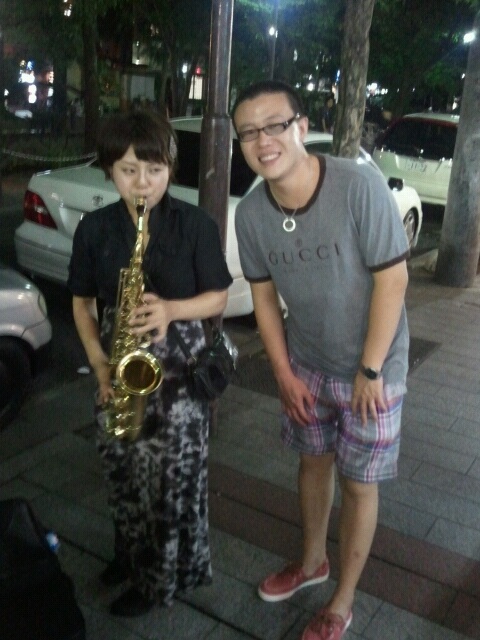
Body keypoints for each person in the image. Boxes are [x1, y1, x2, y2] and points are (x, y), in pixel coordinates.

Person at [232, 80, 409, 640]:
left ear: (302, 127)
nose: (263, 140)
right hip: (306, 362)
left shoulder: (358, 186)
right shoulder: (251, 213)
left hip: (373, 369)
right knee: (311, 463)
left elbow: (394, 279)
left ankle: (343, 599)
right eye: (248, 132)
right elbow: (263, 297)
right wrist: (283, 373)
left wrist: (371, 369)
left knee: (359, 483)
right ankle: (312, 562)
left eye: (275, 125)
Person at [68, 109, 232, 617]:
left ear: (170, 169)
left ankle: (158, 580)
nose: (143, 183)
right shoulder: (95, 229)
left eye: (155, 170)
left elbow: (219, 298)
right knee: (123, 474)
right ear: (109, 170)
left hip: (179, 378)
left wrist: (171, 310)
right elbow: (82, 303)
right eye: (128, 170)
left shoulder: (195, 225)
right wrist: (101, 368)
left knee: (167, 488)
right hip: (121, 370)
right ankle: (129, 556)